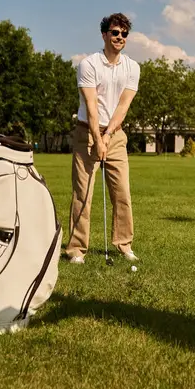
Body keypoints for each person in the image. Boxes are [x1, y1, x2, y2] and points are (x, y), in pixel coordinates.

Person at [66, 13, 140, 264]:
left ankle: (124, 244)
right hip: (87, 131)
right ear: (104, 35)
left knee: (122, 192)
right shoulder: (89, 64)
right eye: (115, 32)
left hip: (116, 135)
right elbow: (91, 104)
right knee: (83, 194)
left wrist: (108, 136)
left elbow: (123, 106)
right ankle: (76, 250)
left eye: (124, 34)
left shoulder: (133, 67)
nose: (120, 37)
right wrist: (97, 138)